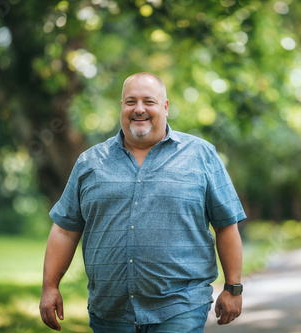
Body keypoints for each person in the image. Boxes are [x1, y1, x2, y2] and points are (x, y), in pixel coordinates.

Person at [39, 72, 246, 332]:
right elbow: (65, 230)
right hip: (109, 312)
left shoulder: (201, 155)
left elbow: (226, 224)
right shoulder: (89, 162)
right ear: (121, 108)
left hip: (180, 306)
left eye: (149, 101)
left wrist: (233, 288)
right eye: (130, 102)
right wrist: (49, 287)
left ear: (165, 107)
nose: (139, 109)